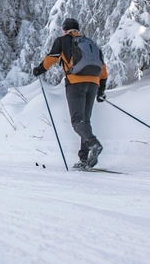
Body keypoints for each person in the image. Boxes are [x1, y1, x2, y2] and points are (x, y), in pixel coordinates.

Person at [33, 18, 108, 169]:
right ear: (77, 29)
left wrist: (39, 69)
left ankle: (94, 144)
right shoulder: (89, 43)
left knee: (77, 121)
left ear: (64, 30)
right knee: (85, 121)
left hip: (75, 82)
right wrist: (101, 90)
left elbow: (51, 58)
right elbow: (103, 69)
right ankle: (84, 160)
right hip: (93, 83)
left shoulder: (63, 40)